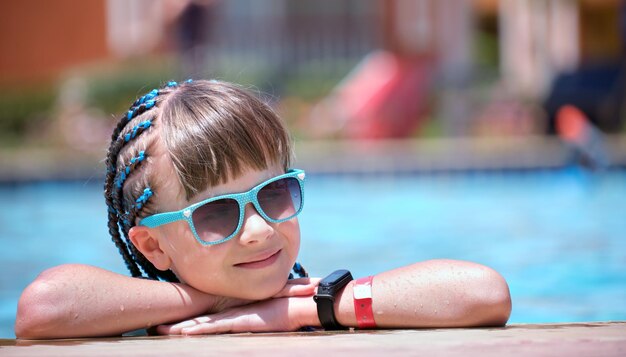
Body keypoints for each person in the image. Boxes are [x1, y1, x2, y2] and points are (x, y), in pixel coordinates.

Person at [15, 79, 511, 339]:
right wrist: (213, 301)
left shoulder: (308, 304)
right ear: (153, 245)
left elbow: (483, 292)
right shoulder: (142, 318)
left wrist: (310, 309)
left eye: (274, 195)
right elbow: (42, 308)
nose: (257, 230)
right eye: (216, 214)